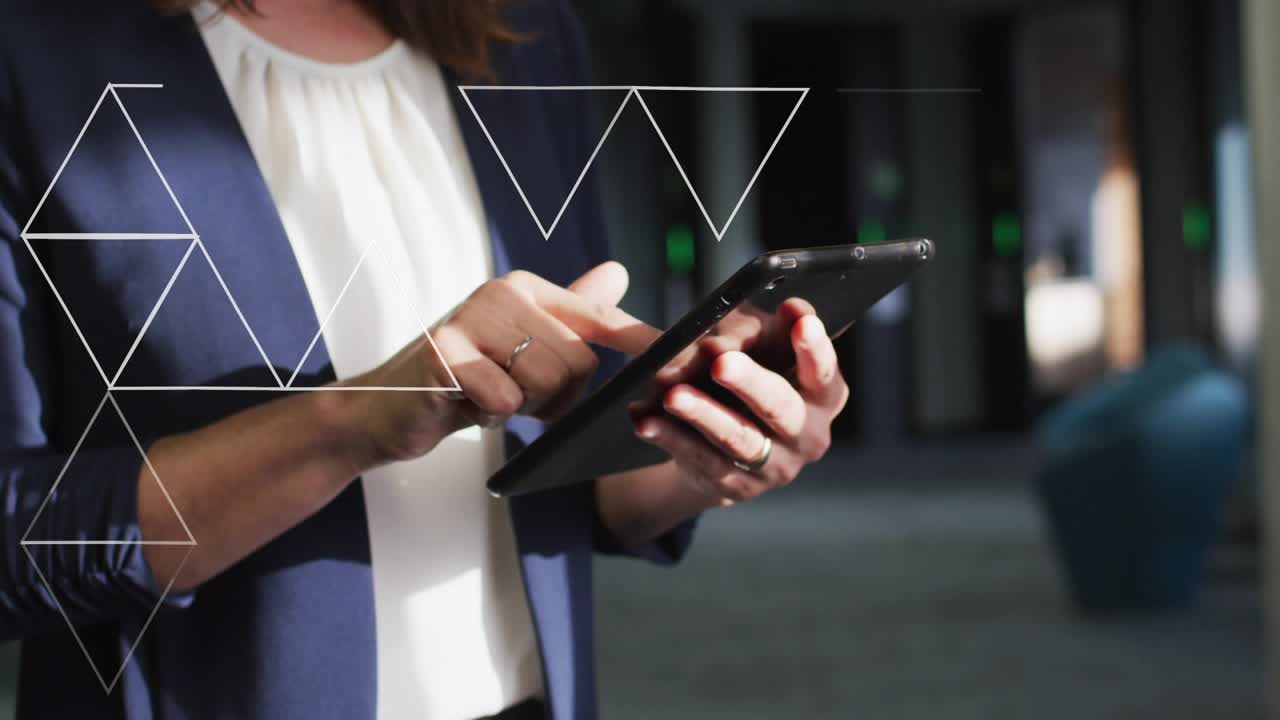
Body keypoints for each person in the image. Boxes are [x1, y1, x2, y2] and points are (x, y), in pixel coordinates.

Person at [0, 0, 849, 718]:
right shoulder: (34, 52)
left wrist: (716, 443)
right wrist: (346, 425)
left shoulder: (524, 33)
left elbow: (570, 477)